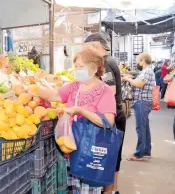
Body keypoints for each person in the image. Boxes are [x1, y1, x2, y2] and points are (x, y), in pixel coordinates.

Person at [34, 46, 116, 194]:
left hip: (90, 152)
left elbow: (108, 121)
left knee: (87, 188)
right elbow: (55, 96)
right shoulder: (74, 87)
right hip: (71, 148)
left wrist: (81, 111)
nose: (77, 70)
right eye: (76, 66)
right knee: (73, 189)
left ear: (94, 67)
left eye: (81, 66)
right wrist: (33, 89)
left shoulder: (105, 91)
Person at [84, 33, 126, 194]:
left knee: (110, 154)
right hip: (115, 114)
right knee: (113, 153)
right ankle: (113, 189)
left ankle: (110, 190)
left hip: (112, 116)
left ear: (95, 46)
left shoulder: (106, 62)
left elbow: (111, 89)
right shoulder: (110, 60)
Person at [123, 53, 155, 161]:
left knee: (140, 128)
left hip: (142, 102)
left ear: (143, 60)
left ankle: (139, 154)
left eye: (138, 61)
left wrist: (128, 80)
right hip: (144, 102)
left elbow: (139, 84)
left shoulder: (146, 71)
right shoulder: (147, 71)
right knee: (145, 127)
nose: (137, 63)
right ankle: (146, 151)